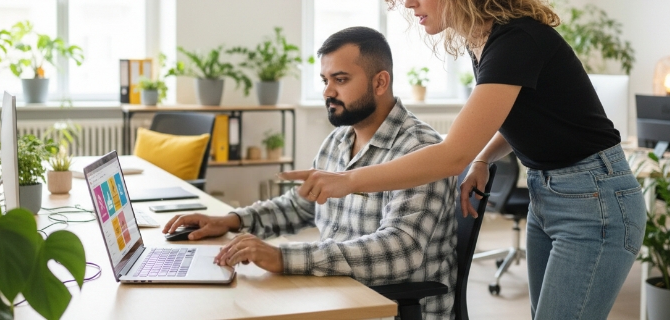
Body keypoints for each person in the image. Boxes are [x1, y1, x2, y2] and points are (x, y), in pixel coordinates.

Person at [281, 0, 647, 320]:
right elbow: (522, 116)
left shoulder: (516, 40)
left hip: (595, 198)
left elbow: (451, 155)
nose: (409, 1)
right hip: (549, 193)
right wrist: (484, 158)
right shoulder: (484, 42)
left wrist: (348, 180)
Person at [163, 26, 458, 319]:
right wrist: (231, 221)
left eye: (340, 80)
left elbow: (400, 251)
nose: (328, 92)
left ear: (380, 82)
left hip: (388, 309)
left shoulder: (421, 151)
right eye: (325, 80)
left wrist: (282, 257)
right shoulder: (339, 140)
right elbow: (300, 205)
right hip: (337, 296)